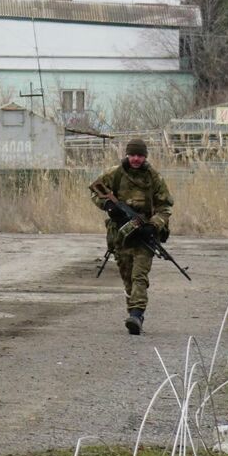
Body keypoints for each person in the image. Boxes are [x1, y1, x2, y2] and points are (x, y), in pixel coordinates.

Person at [88, 137, 174, 335]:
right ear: (127, 155)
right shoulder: (114, 174)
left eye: (140, 155)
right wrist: (109, 206)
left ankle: (137, 314)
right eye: (133, 154)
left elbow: (165, 207)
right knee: (127, 277)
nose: (136, 159)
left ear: (145, 157)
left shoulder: (154, 178)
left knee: (139, 276)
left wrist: (153, 225)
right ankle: (133, 313)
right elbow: (95, 191)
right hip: (120, 235)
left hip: (144, 236)